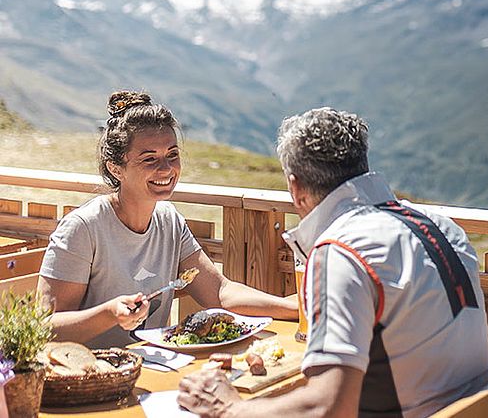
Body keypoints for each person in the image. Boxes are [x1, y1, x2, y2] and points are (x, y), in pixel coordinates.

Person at [178, 107, 488, 418]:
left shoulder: (342, 250)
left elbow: (329, 408)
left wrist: (229, 408)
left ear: (296, 187)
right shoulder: (440, 224)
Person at [38, 91, 297, 348]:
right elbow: (45, 329)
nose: (166, 168)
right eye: (149, 159)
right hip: (88, 377)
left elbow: (219, 292)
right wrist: (108, 314)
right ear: (115, 168)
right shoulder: (83, 228)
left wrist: (292, 307)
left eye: (172, 154)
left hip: (149, 369)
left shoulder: (168, 220)